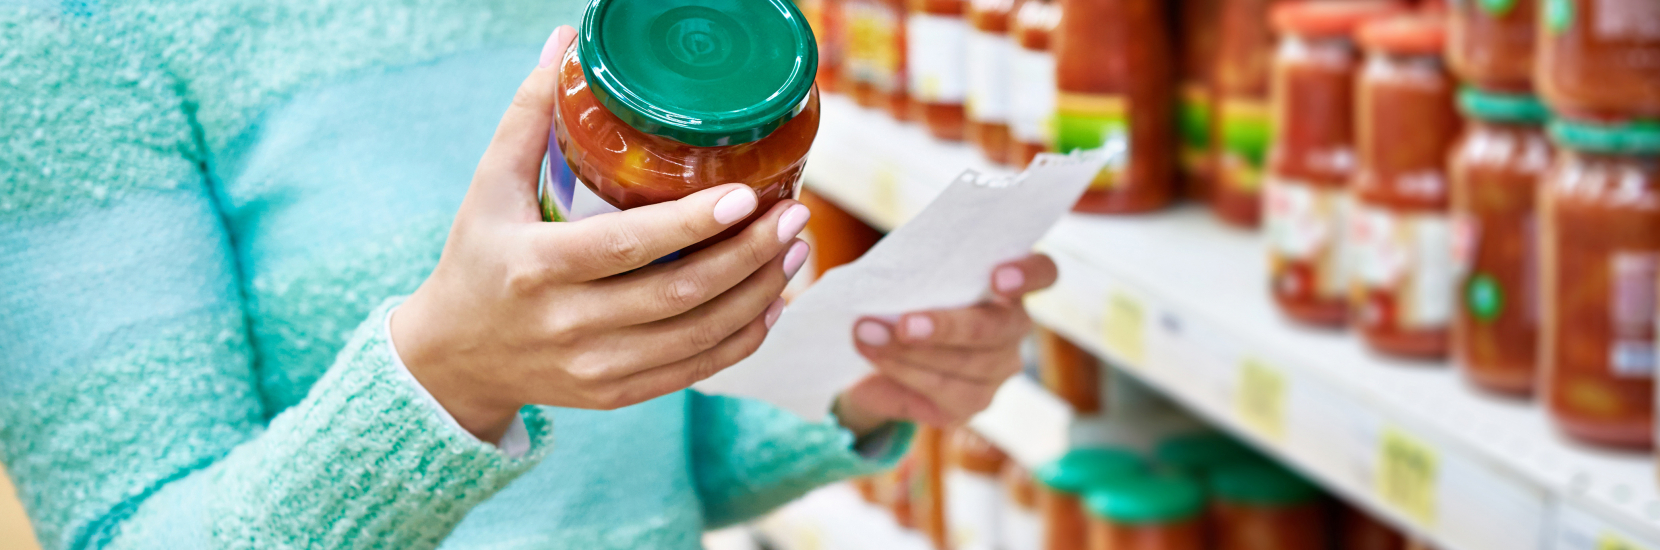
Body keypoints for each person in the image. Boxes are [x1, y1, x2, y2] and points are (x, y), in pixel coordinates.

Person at [0, 3, 1057, 549]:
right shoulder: (73, 38)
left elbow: (625, 474)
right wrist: (449, 376)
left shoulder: (634, 20)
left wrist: (848, 379)